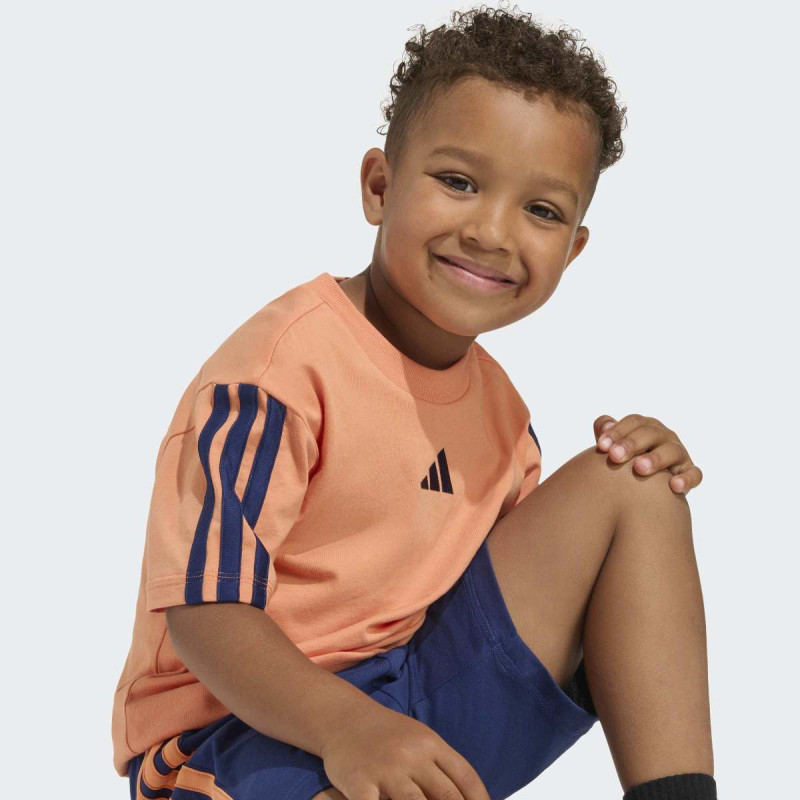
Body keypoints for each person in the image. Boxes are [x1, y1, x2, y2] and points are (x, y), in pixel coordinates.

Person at [112, 5, 716, 799]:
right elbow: (203, 613)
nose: (492, 232)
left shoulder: (505, 419)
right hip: (242, 730)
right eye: (458, 182)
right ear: (379, 186)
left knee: (633, 483)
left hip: (410, 697)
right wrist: (348, 727)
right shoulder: (278, 373)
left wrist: (647, 454)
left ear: (572, 249)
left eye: (541, 210)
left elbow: (503, 619)